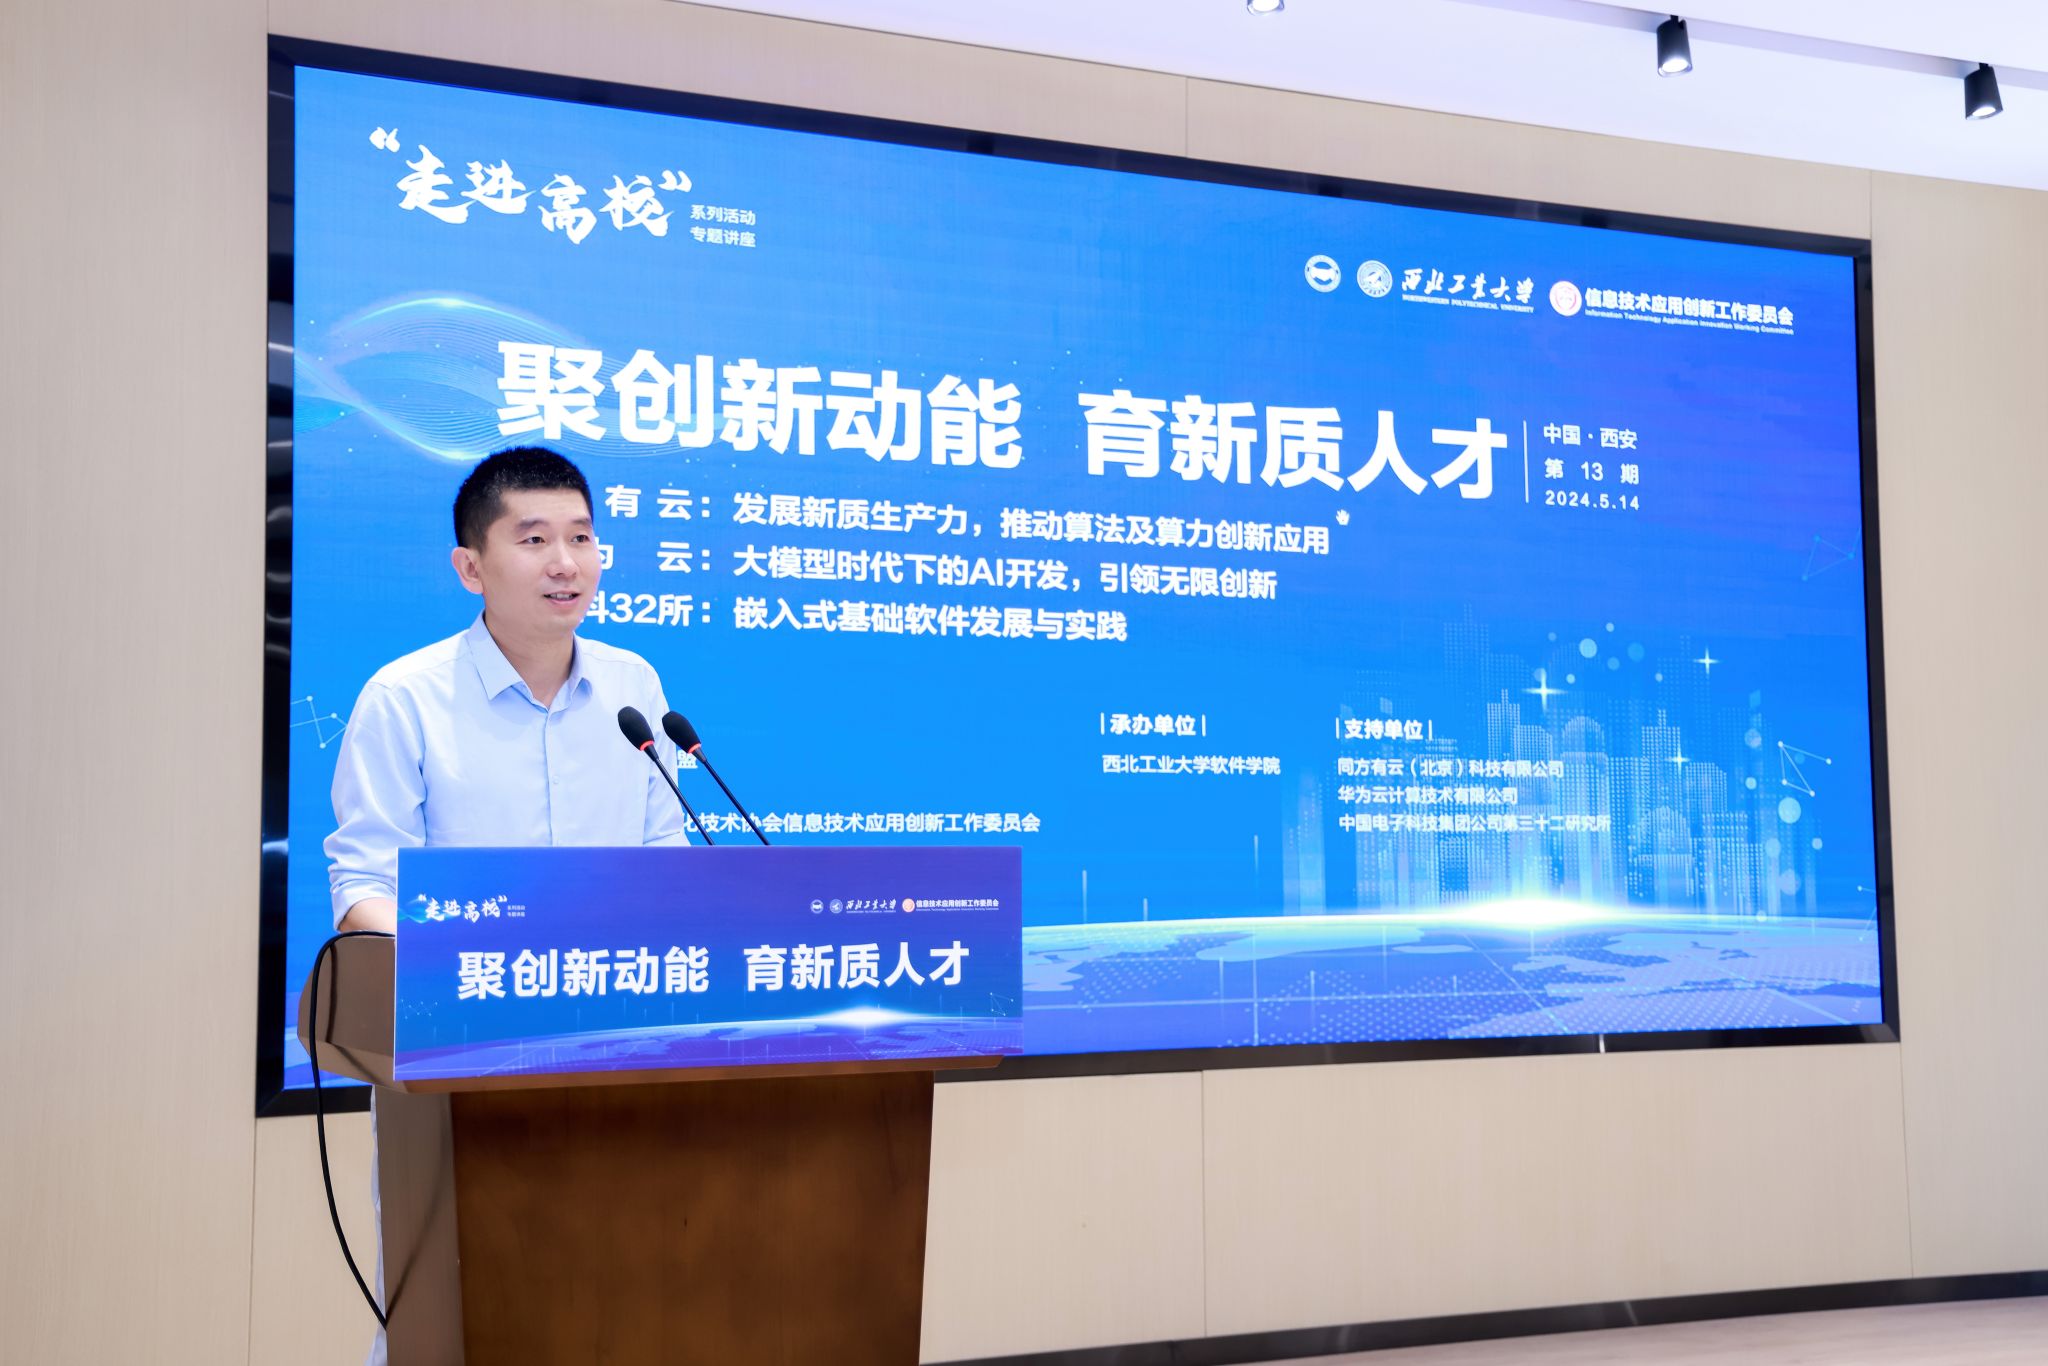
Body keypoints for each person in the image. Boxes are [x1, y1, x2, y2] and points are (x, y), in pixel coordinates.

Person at [323, 446, 689, 1363]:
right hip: (465, 1050)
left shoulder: (635, 688)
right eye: (533, 539)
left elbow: (665, 858)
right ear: (471, 567)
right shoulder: (405, 698)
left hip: (622, 1045)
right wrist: (458, 965)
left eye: (581, 538)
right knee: (463, 1306)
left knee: (629, 1290)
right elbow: (364, 886)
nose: (567, 562)